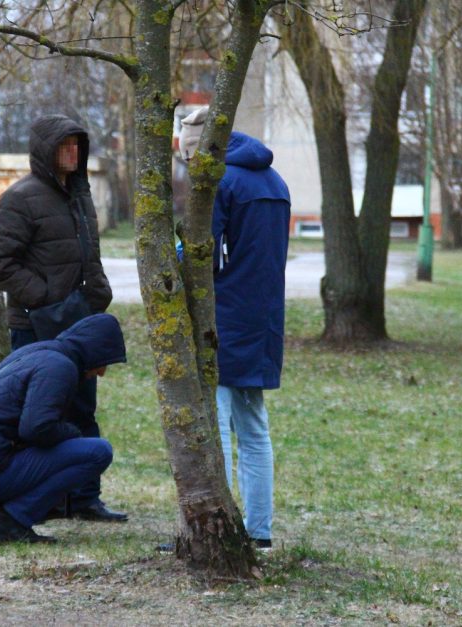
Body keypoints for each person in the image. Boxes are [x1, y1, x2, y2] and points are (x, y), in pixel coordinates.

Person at [0, 114, 126, 522]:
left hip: (78, 326)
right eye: (64, 145)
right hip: (36, 329)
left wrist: (96, 295)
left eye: (77, 145)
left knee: (83, 411)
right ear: (45, 150)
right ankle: (40, 498)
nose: (72, 152)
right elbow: (0, 265)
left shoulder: (81, 196)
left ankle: (84, 498)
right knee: (37, 417)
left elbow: (88, 257)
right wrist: (45, 300)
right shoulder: (21, 198)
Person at [179, 107, 291, 550]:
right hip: (264, 319)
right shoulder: (275, 182)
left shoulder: (221, 183)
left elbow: (201, 253)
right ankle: (260, 532)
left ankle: (218, 532)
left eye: (189, 155)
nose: (189, 166)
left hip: (224, 317)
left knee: (217, 424)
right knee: (255, 426)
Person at [0, 314, 127, 543]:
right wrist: (73, 434)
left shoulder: (32, 353)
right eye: (105, 362)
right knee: (97, 451)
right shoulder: (59, 367)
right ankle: (11, 521)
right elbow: (36, 429)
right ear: (93, 351)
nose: (102, 372)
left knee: (66, 447)